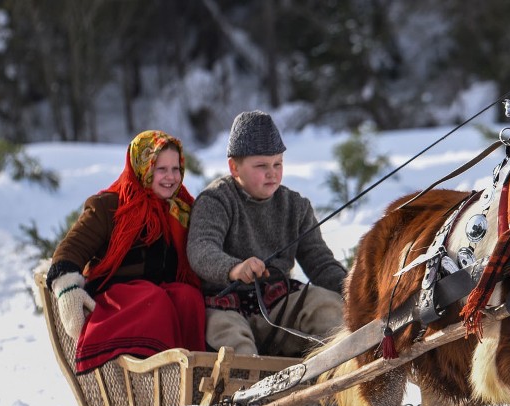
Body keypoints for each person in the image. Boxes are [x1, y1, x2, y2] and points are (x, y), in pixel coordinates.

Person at [187, 110, 346, 357]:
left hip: (279, 304)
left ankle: (332, 385)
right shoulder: (216, 200)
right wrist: (234, 268)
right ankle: (242, 392)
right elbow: (201, 248)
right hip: (225, 307)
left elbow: (320, 263)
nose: (272, 173)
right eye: (261, 165)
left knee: (328, 307)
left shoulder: (295, 205)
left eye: (277, 164)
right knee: (232, 345)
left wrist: (353, 289)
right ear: (234, 167)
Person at [46, 130, 206, 373]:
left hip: (157, 293)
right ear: (143, 166)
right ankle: (155, 376)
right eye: (161, 169)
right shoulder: (110, 205)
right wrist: (67, 288)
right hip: (114, 299)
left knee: (188, 298)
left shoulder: (180, 210)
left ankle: (194, 373)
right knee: (153, 298)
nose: (171, 177)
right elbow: (71, 248)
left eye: (176, 169)